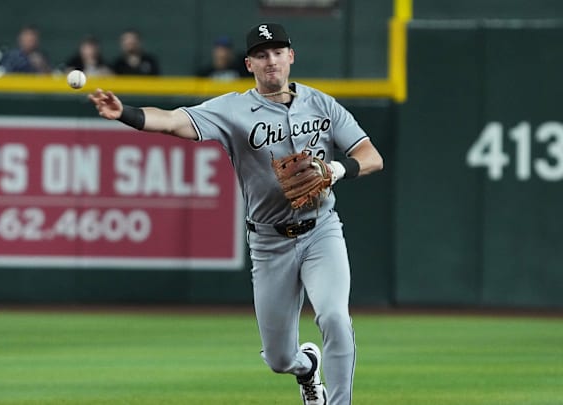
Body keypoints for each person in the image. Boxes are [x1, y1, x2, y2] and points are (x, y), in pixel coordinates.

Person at [89, 22, 383, 405]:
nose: (271, 60)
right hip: (269, 242)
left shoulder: (322, 104)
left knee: (334, 317)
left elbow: (370, 156)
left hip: (321, 231)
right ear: (249, 63)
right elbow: (174, 121)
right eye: (262, 55)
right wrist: (124, 112)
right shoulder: (231, 109)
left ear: (291, 57)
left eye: (278, 52)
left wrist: (338, 170)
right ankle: (306, 369)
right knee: (279, 359)